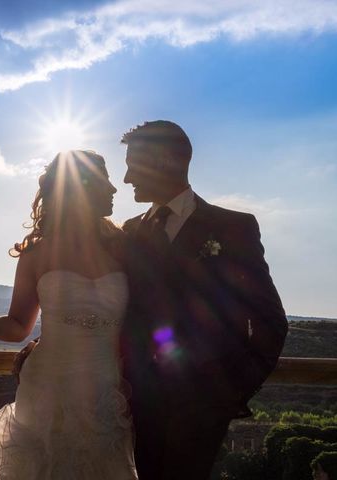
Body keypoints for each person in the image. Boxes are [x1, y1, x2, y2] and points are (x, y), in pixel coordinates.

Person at [0, 150, 138, 479]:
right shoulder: (36, 254)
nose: (114, 189)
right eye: (105, 181)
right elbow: (18, 325)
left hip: (107, 391)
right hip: (48, 389)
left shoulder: (125, 248)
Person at [119, 120, 288, 479]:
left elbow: (269, 319)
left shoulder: (233, 228)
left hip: (203, 405)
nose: (126, 178)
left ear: (165, 160)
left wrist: (232, 391)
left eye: (133, 164)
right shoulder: (130, 231)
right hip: (135, 404)